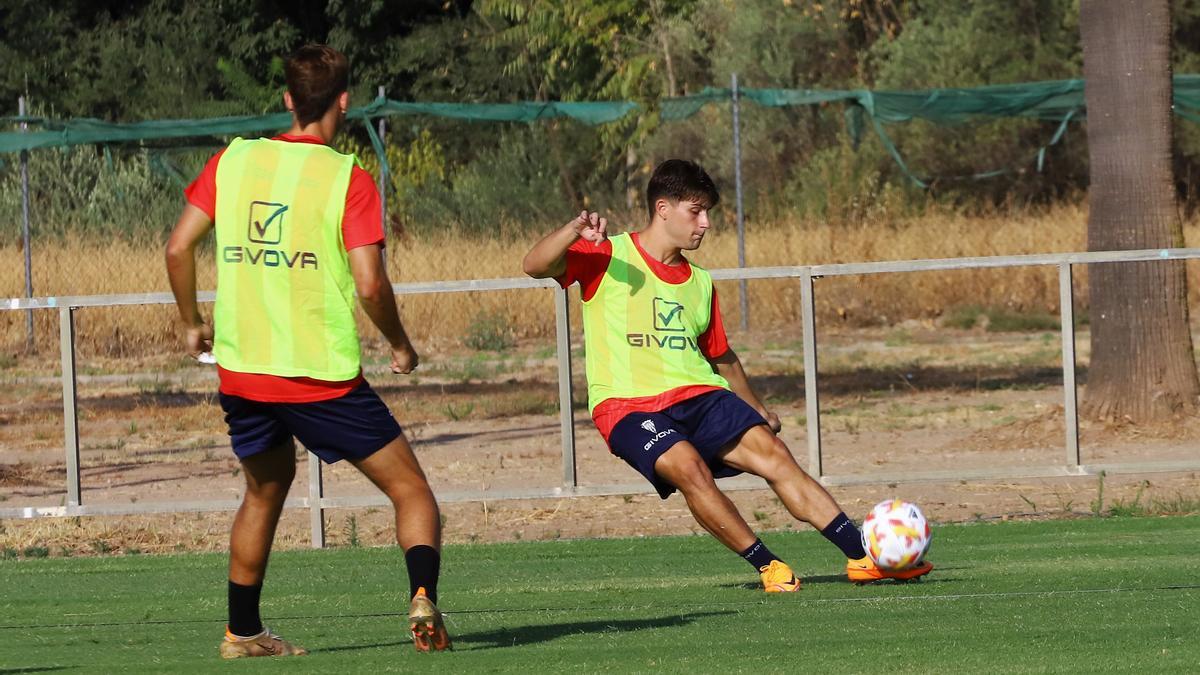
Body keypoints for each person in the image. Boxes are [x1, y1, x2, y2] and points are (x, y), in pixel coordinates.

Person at [522, 159, 932, 592]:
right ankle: (767, 565)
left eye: (708, 213)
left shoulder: (699, 281)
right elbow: (534, 265)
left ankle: (863, 557)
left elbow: (720, 354)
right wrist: (572, 231)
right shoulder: (607, 254)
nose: (706, 223)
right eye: (696, 211)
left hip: (701, 395)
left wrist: (756, 406)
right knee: (689, 469)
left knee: (776, 457)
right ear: (663, 208)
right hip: (628, 406)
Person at [165, 44, 450, 657]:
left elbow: (177, 248)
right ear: (344, 101)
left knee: (263, 491)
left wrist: (193, 324)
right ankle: (422, 595)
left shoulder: (234, 161)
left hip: (243, 374)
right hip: (320, 378)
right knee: (412, 492)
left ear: (288, 100)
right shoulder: (348, 178)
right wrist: (400, 344)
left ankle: (242, 632)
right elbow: (370, 283)